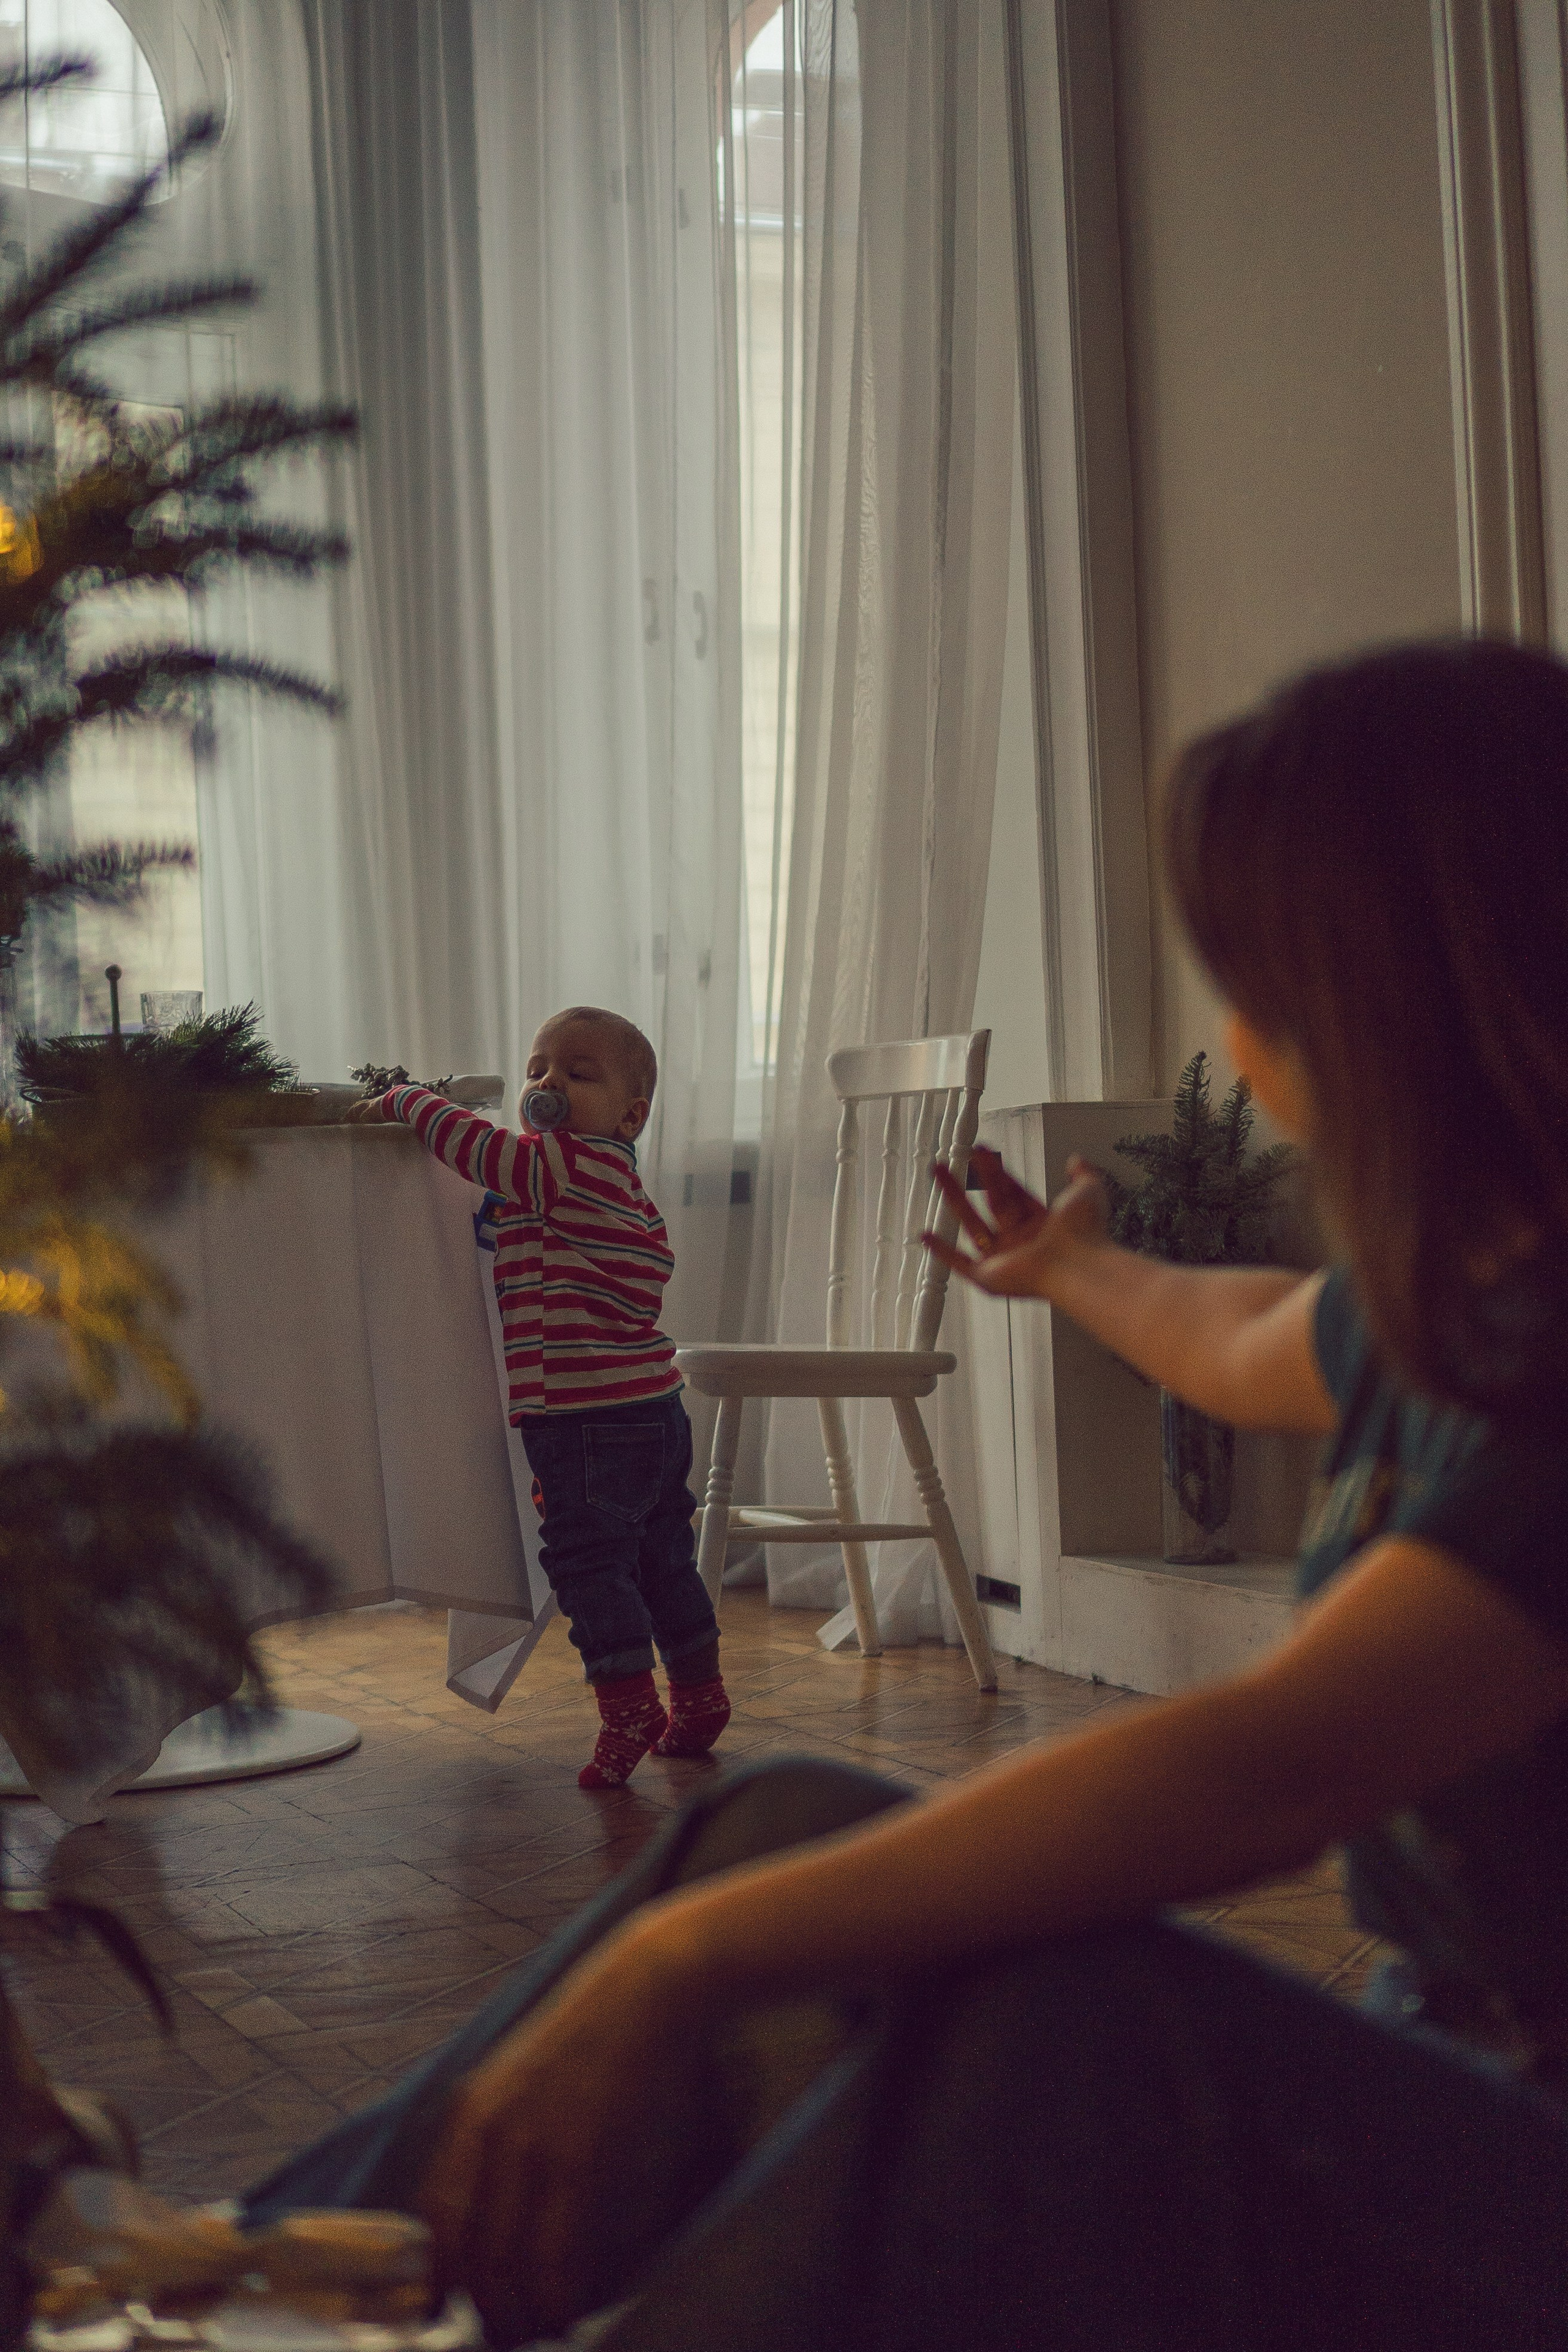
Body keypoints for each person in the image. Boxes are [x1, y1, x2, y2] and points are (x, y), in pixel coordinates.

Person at [276, 642, 1568, 2348]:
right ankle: (241, 2281)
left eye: (1267, 988)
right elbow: (1245, 1331)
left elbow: (1271, 1767)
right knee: (785, 1821)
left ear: (1421, 994)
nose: (1244, 1051)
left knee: (1079, 2028)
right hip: (1436, 2075)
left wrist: (680, 1961)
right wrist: (1073, 1271)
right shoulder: (1474, 1304)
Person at [350, 1006, 729, 1787]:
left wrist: (406, 1099)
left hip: (588, 1420)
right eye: (537, 1070)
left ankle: (627, 1702)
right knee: (661, 1559)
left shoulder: (566, 1163)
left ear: (632, 1115)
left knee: (588, 1564)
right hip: (651, 1409)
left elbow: (477, 1150)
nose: (548, 1083)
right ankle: (700, 1691)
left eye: (577, 1074)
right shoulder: (597, 1178)